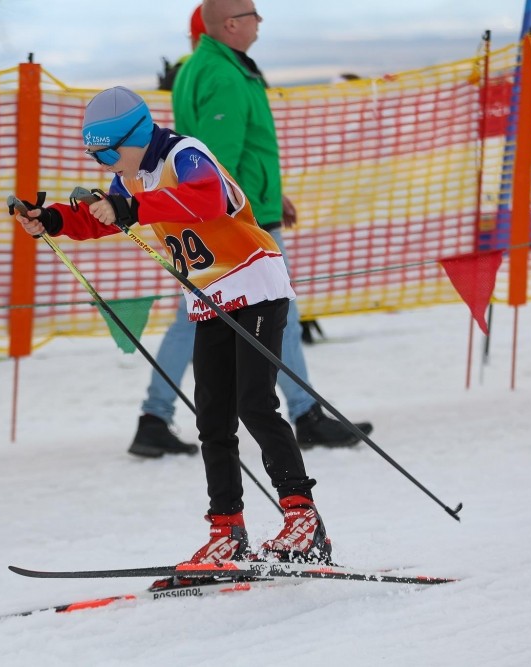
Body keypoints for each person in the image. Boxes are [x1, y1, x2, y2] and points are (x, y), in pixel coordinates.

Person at [14, 86, 334, 564]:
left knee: (254, 403)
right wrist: (53, 219)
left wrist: (131, 208)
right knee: (212, 417)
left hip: (254, 284)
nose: (104, 165)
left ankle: (302, 518)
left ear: (136, 136)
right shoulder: (132, 177)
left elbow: (205, 199)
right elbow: (100, 219)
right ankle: (227, 528)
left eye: (107, 154)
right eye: (95, 156)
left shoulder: (184, 154)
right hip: (209, 298)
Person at [129, 0, 373, 458]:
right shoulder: (223, 75)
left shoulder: (206, 68)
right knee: (280, 316)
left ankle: (154, 417)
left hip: (225, 214)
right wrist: (249, 214)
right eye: (254, 14)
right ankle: (306, 413)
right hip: (240, 222)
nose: (260, 22)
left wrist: (270, 194)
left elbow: (219, 157)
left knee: (193, 321)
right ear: (231, 24)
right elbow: (218, 161)